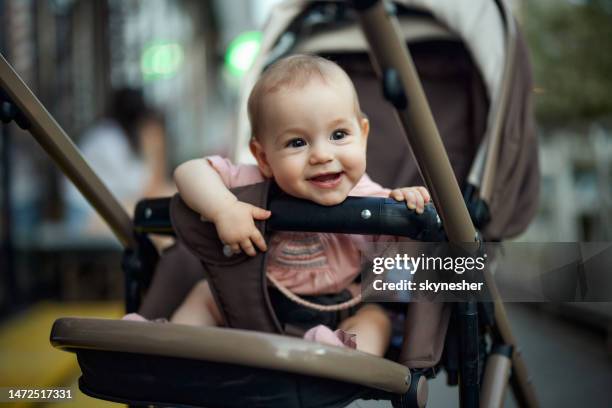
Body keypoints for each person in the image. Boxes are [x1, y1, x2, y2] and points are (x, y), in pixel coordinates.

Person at [126, 55, 430, 356]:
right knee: (206, 294)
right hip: (255, 308)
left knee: (377, 319)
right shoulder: (255, 182)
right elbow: (189, 172)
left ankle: (341, 354)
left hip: (338, 312)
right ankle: (171, 348)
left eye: (339, 135)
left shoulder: (375, 200)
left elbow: (404, 268)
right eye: (297, 142)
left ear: (362, 136)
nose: (322, 155)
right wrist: (224, 209)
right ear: (263, 157)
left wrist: (409, 208)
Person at [63, 88, 174, 235]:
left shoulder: (116, 137)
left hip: (99, 211)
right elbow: (147, 189)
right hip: (84, 216)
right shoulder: (108, 139)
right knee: (154, 212)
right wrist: (155, 151)